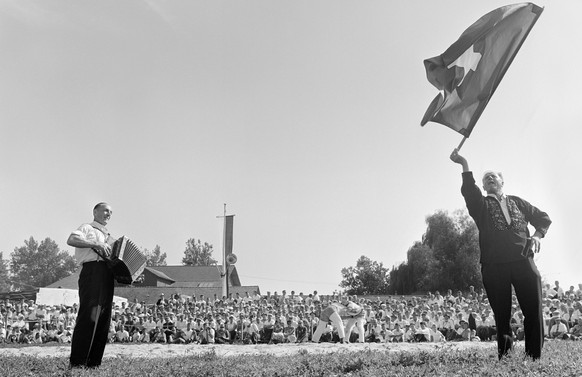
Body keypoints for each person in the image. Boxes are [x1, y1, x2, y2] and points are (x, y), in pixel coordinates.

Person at [450, 150, 552, 360]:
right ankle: (505, 357)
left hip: (524, 260)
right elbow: (470, 192)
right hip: (494, 265)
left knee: (533, 310)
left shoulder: (518, 202)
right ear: (484, 186)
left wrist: (538, 236)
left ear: (502, 181)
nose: (489, 179)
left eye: (493, 176)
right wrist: (464, 164)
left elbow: (543, 218)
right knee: (502, 314)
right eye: (485, 178)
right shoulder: (481, 206)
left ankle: (534, 357)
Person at [67, 202, 116, 368]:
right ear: (95, 212)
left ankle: (94, 363)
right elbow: (71, 239)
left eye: (110, 212)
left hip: (107, 274)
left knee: (103, 319)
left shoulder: (110, 236)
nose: (108, 214)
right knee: (89, 316)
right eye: (105, 210)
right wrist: (95, 244)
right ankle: (78, 362)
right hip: (92, 271)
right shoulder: (87, 227)